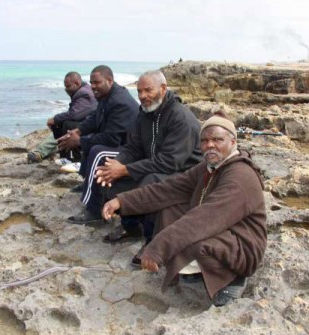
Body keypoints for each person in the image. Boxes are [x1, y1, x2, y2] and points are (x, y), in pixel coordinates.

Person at [101, 112, 267, 307]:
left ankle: (233, 278)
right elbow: (169, 188)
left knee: (193, 243)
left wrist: (157, 248)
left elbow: (204, 219)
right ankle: (197, 270)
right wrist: (121, 201)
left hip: (243, 245)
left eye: (217, 139)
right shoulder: (209, 166)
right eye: (204, 141)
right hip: (221, 228)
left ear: (233, 142)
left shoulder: (240, 176)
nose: (210, 145)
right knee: (169, 210)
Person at [93, 70, 202, 257]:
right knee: (111, 176)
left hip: (186, 175)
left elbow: (169, 162)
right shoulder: (144, 114)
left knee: (150, 181)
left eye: (148, 90)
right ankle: (131, 227)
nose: (143, 96)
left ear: (163, 88)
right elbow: (133, 148)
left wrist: (125, 169)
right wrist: (115, 165)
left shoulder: (180, 117)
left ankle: (153, 240)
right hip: (156, 167)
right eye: (139, 91)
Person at [60, 65, 139, 223]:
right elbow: (95, 118)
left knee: (97, 151)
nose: (93, 86)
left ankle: (93, 210)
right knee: (90, 142)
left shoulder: (119, 102)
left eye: (97, 82)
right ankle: (87, 183)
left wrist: (80, 141)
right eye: (91, 82)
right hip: (119, 142)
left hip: (131, 149)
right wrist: (78, 132)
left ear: (109, 81)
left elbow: (111, 139)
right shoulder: (106, 96)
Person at [27, 72, 97, 163]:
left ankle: (46, 153)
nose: (66, 89)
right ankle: (41, 152)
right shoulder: (83, 89)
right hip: (86, 123)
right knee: (60, 131)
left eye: (68, 86)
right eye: (65, 86)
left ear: (77, 83)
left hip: (89, 126)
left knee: (65, 127)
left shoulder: (84, 93)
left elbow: (75, 114)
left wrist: (55, 119)